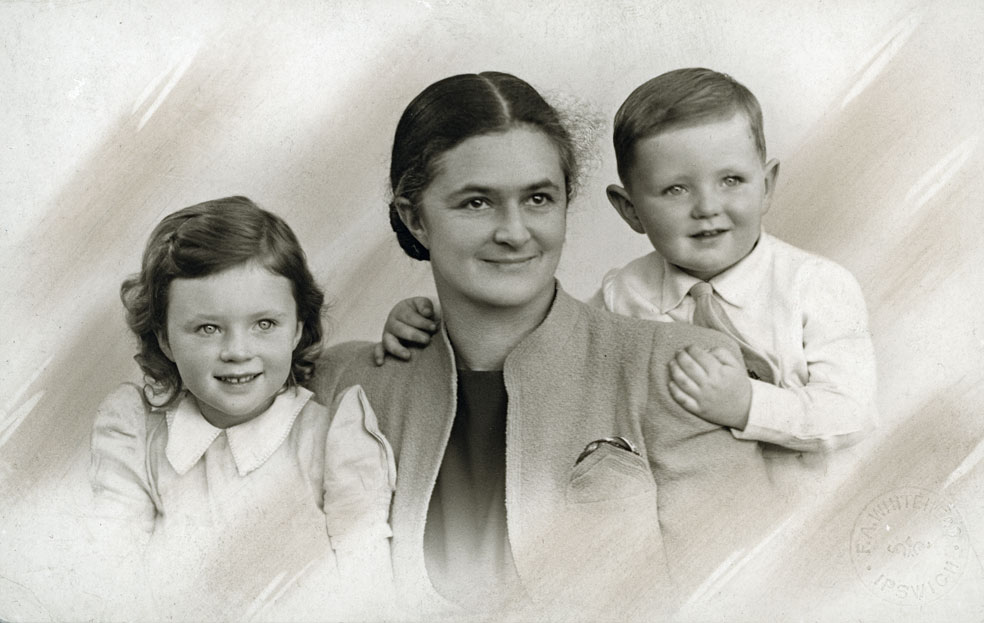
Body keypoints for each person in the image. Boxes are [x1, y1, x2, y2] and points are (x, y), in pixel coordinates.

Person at [310, 72, 786, 621]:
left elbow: (746, 597)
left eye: (538, 198)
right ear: (416, 217)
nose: (514, 232)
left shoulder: (680, 370)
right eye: (476, 203)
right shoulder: (346, 382)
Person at [381, 68, 878, 485]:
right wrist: (430, 326)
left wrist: (749, 404)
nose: (708, 208)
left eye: (732, 180)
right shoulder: (625, 291)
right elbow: (556, 348)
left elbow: (850, 412)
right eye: (675, 189)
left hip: (806, 509)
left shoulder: (816, 287)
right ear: (629, 209)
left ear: (766, 185)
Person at [88, 196, 395, 621]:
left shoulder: (330, 438)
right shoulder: (138, 434)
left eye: (264, 324)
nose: (237, 351)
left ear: (297, 330)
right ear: (164, 340)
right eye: (208, 328)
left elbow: (367, 577)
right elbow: (110, 567)